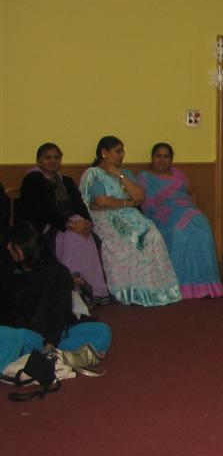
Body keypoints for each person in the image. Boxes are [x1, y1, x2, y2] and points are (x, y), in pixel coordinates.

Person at [79, 136, 181, 307]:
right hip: (105, 217)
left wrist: (119, 175)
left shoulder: (125, 173)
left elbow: (139, 197)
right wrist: (127, 203)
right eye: (117, 151)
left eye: (122, 151)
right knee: (128, 240)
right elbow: (101, 202)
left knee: (153, 235)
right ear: (104, 153)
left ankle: (154, 289)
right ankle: (130, 290)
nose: (122, 155)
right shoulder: (93, 173)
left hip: (130, 216)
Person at [1, 222, 112, 372]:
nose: (8, 247)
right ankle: (62, 358)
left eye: (12, 244)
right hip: (26, 336)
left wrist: (50, 344)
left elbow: (61, 313)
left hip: (52, 338)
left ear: (23, 248)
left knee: (102, 331)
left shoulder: (57, 273)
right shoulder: (9, 275)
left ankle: (49, 358)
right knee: (13, 337)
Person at [17, 143, 109, 304]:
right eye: (48, 157)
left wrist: (87, 222)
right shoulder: (33, 179)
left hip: (72, 223)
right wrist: (69, 225)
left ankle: (86, 289)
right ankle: (72, 289)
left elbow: (80, 204)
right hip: (46, 225)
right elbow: (44, 209)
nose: (53, 161)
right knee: (76, 237)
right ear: (38, 160)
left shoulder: (66, 180)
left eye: (57, 157)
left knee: (86, 235)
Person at [137, 142, 223, 299]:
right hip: (162, 213)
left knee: (203, 227)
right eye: (158, 156)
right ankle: (180, 285)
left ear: (171, 160)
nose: (161, 160)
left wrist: (194, 210)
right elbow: (140, 198)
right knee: (180, 232)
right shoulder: (145, 177)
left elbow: (191, 193)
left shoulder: (178, 173)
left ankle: (205, 283)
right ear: (152, 158)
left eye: (166, 157)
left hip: (186, 209)